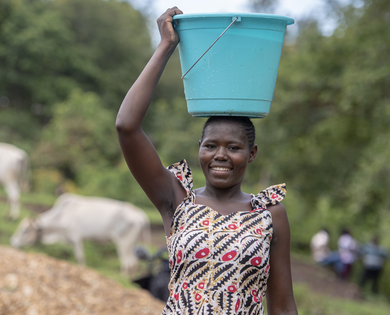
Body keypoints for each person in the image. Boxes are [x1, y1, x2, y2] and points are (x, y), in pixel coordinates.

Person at [116, 7, 297, 315]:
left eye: (234, 148)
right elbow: (126, 127)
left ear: (251, 154)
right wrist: (165, 46)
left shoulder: (270, 214)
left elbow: (282, 306)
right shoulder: (175, 198)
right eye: (211, 145)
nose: (221, 156)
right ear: (199, 148)